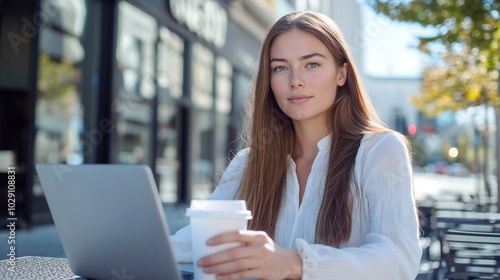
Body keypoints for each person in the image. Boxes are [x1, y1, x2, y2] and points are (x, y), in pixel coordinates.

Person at [171, 11, 422, 279]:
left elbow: (398, 260)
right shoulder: (248, 164)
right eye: (280, 67)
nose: (295, 80)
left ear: (341, 73)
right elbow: (192, 244)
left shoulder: (380, 151)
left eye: (311, 64)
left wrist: (295, 262)